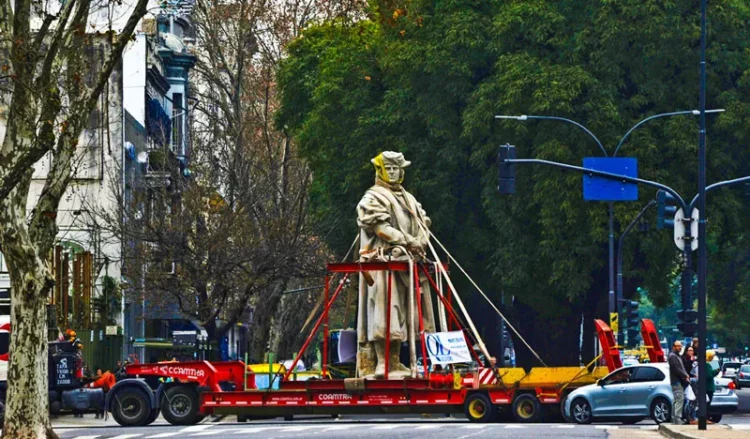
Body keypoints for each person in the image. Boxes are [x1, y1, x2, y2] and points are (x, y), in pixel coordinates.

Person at [356, 151, 436, 379]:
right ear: (380, 170)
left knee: (405, 311)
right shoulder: (372, 197)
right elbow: (381, 229)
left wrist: (421, 240)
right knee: (384, 311)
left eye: (395, 168)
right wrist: (409, 241)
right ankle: (381, 364)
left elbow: (423, 224)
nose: (392, 172)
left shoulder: (409, 198)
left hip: (406, 263)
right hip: (382, 263)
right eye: (388, 168)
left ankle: (395, 361)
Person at [668, 340, 690, 425]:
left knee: (676, 400)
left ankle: (674, 419)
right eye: (678, 346)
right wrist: (685, 375)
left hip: (677, 380)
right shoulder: (673, 356)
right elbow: (677, 369)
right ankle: (677, 418)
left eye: (680, 346)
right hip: (676, 380)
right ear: (673, 347)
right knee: (679, 399)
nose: (680, 347)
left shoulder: (676, 356)